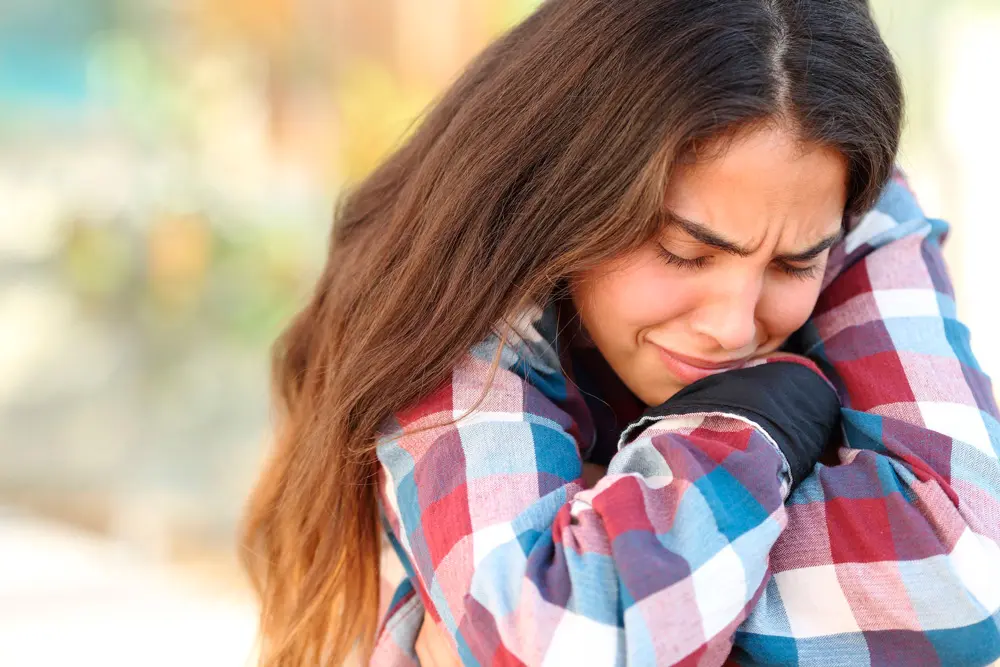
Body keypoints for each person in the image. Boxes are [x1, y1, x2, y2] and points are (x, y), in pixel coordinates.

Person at [239, 1, 1000, 665]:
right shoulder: (460, 287)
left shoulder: (842, 200)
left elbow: (971, 572)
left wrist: (629, 585)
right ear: (574, 189)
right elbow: (555, 643)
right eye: (684, 251)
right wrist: (758, 417)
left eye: (796, 265)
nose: (734, 325)